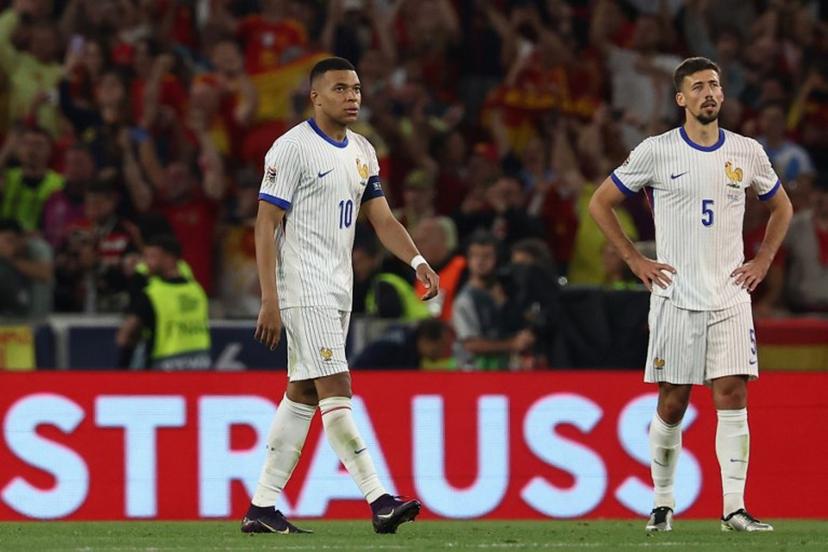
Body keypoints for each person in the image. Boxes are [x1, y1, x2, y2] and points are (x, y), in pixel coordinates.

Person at [589, 57, 793, 533]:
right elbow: (601, 203)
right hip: (676, 295)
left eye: (715, 85)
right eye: (698, 86)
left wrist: (762, 260)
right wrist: (635, 260)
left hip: (730, 294)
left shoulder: (747, 152)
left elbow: (782, 205)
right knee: (674, 401)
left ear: (722, 95)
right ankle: (662, 502)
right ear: (681, 98)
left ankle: (733, 508)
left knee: (732, 393)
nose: (709, 93)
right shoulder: (656, 151)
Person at [249, 57, 439, 535]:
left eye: (356, 88)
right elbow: (265, 223)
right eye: (340, 89)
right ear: (316, 96)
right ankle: (379, 499)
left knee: (304, 393)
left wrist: (417, 261)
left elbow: (382, 218)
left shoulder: (362, 151)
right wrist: (270, 298)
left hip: (338, 288)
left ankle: (262, 508)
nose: (352, 97)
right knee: (337, 388)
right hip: (303, 286)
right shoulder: (291, 149)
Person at [115, 235, 211, 370]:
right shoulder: (197, 290)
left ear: (169, 258)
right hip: (200, 363)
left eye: (152, 256)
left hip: (165, 366)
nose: (146, 263)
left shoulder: (153, 294)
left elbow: (125, 335)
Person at [351, 318, 451, 370]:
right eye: (441, 346)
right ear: (426, 340)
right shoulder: (395, 349)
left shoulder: (412, 352)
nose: (443, 353)